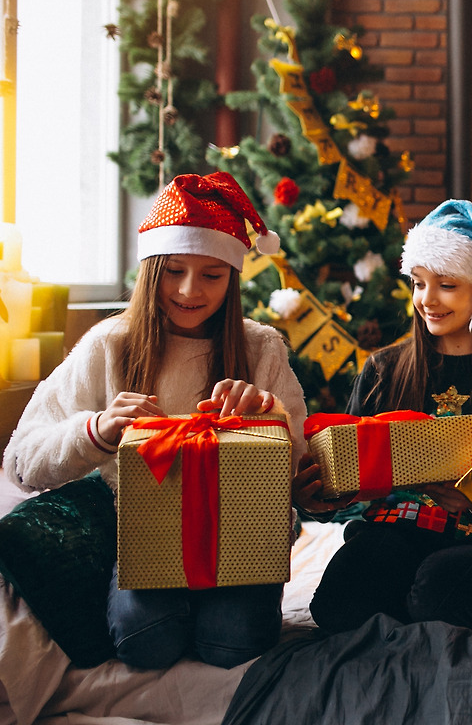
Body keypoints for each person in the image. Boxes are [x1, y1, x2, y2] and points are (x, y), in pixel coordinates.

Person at [3, 172, 308, 669]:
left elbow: (303, 472)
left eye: (212, 274)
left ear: (233, 277)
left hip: (242, 529)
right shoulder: (109, 345)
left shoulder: (261, 347)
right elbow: (20, 463)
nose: (190, 290)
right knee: (146, 641)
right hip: (147, 531)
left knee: (231, 643)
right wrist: (95, 431)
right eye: (174, 271)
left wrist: (268, 418)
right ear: (151, 270)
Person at [307, 199, 472, 637]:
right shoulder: (383, 370)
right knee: (338, 604)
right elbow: (345, 494)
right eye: (418, 283)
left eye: (446, 285)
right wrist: (323, 494)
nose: (426, 300)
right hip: (392, 529)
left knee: (438, 597)